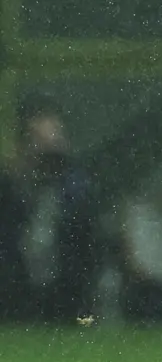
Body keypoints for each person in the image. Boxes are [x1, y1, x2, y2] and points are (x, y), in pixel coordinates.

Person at [0, 101, 99, 323]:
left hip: (64, 292)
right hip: (14, 291)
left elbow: (86, 245)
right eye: (40, 141)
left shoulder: (76, 189)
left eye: (55, 139)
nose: (49, 150)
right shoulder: (9, 189)